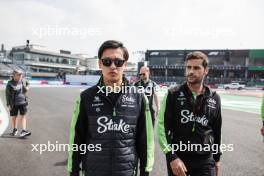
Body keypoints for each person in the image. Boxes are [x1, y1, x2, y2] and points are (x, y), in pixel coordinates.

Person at [67, 40, 154, 176]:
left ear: (125, 64)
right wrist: (73, 171)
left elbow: (145, 140)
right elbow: (76, 138)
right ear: (100, 64)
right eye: (107, 61)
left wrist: (145, 171)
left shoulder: (139, 97)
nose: (113, 66)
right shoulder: (86, 97)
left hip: (126, 172)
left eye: (118, 62)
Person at [157, 51, 222, 176]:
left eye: (196, 68)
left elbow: (217, 130)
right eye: (188, 67)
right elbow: (161, 128)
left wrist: (217, 159)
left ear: (205, 70)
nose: (191, 71)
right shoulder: (172, 94)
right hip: (179, 159)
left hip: (206, 160)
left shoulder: (214, 98)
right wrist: (171, 157)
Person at [5, 69, 31, 137]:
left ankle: (24, 131)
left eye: (21, 74)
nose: (20, 76)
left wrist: (27, 87)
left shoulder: (23, 81)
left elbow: (28, 84)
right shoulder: (9, 84)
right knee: (14, 117)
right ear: (14, 75)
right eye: (19, 74)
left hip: (23, 102)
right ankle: (15, 129)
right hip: (13, 104)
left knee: (23, 116)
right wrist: (8, 104)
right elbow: (7, 95)